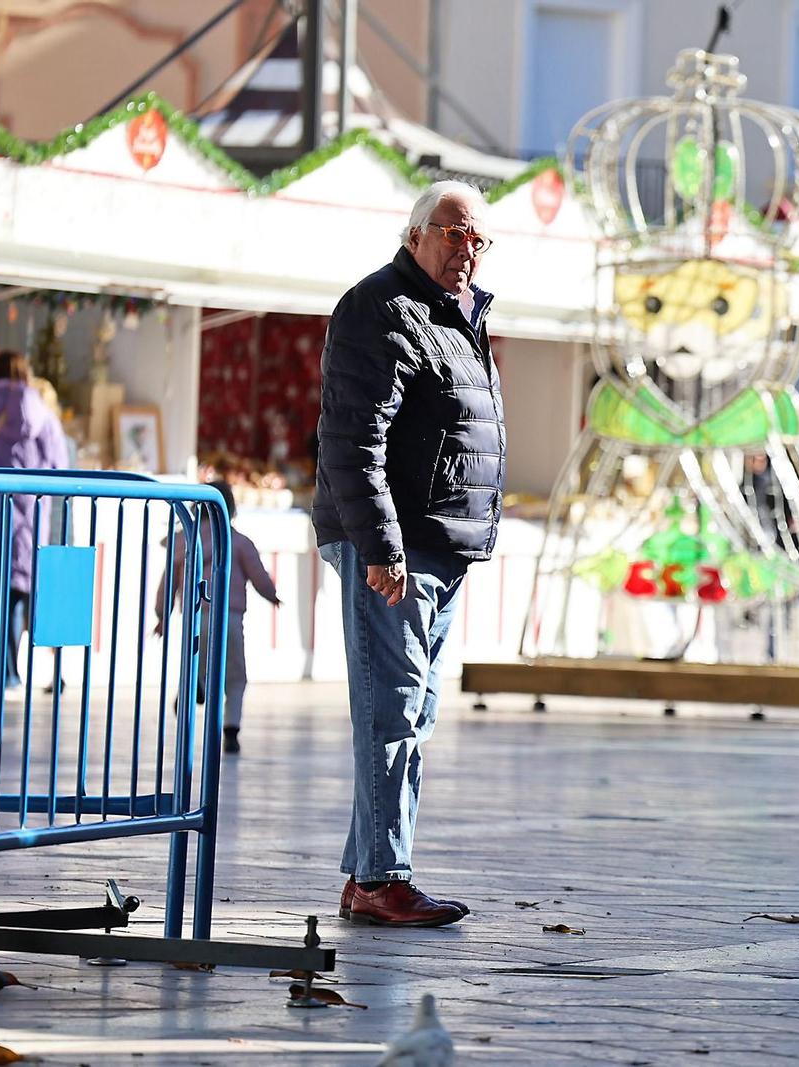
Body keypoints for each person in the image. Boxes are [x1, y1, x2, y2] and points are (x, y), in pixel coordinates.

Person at [315, 180, 505, 928]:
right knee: (391, 709)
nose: (466, 250)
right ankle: (383, 875)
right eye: (453, 234)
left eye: (477, 240)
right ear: (415, 235)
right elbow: (352, 439)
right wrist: (381, 545)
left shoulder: (459, 317)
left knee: (412, 712)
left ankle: (369, 872)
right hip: (394, 545)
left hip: (438, 544)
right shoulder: (382, 308)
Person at [0, 350, 69, 689]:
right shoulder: (44, 416)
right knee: (13, 599)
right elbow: (59, 467)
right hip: (26, 522)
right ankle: (6, 675)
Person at [153, 480, 280, 755]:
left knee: (197, 661)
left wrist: (162, 615)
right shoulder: (239, 543)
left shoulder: (186, 541)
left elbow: (169, 581)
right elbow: (259, 577)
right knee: (235, 676)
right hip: (229, 617)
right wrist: (272, 596)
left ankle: (197, 683)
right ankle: (231, 730)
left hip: (195, 614)